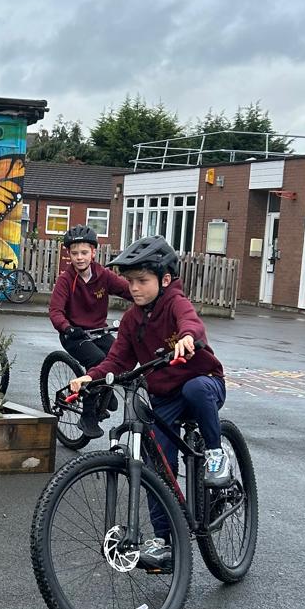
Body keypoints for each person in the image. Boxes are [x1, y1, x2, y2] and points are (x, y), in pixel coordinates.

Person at [68, 234, 232, 570]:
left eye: (142, 281)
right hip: (165, 397)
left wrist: (187, 338)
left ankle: (216, 455)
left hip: (203, 385)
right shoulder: (132, 319)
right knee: (156, 463)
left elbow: (190, 322)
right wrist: (91, 377)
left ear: (165, 279)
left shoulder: (175, 302)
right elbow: (117, 360)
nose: (134, 288)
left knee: (195, 389)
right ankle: (165, 542)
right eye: (130, 282)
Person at [48, 225, 131, 437]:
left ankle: (104, 391)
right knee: (97, 360)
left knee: (119, 357)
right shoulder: (65, 280)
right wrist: (67, 328)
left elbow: (128, 290)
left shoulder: (103, 275)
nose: (79, 258)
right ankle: (88, 416)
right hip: (74, 335)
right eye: (74, 253)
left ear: (93, 252)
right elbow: (55, 311)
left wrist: (149, 299)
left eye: (84, 252)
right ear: (69, 254)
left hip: (98, 331)